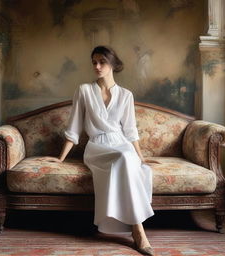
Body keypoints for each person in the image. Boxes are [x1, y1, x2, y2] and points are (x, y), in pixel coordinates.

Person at [59, 45, 156, 255]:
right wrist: (60, 159)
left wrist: (142, 158)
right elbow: (74, 127)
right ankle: (138, 231)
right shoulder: (84, 90)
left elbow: (130, 131)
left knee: (127, 159)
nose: (97, 66)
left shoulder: (126, 95)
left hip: (121, 143)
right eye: (94, 62)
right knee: (122, 157)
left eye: (102, 61)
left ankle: (135, 228)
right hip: (97, 147)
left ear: (112, 64)